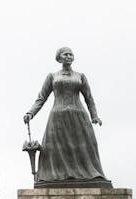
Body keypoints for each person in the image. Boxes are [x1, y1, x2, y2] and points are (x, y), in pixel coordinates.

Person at [23, 47, 111, 187]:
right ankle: (54, 177)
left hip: (79, 116)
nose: (69, 56)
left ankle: (89, 175)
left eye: (71, 54)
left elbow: (89, 98)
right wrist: (30, 113)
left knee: (86, 146)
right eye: (66, 54)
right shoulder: (52, 76)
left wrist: (95, 116)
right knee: (54, 148)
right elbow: (41, 98)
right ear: (59, 58)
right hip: (57, 117)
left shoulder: (80, 76)